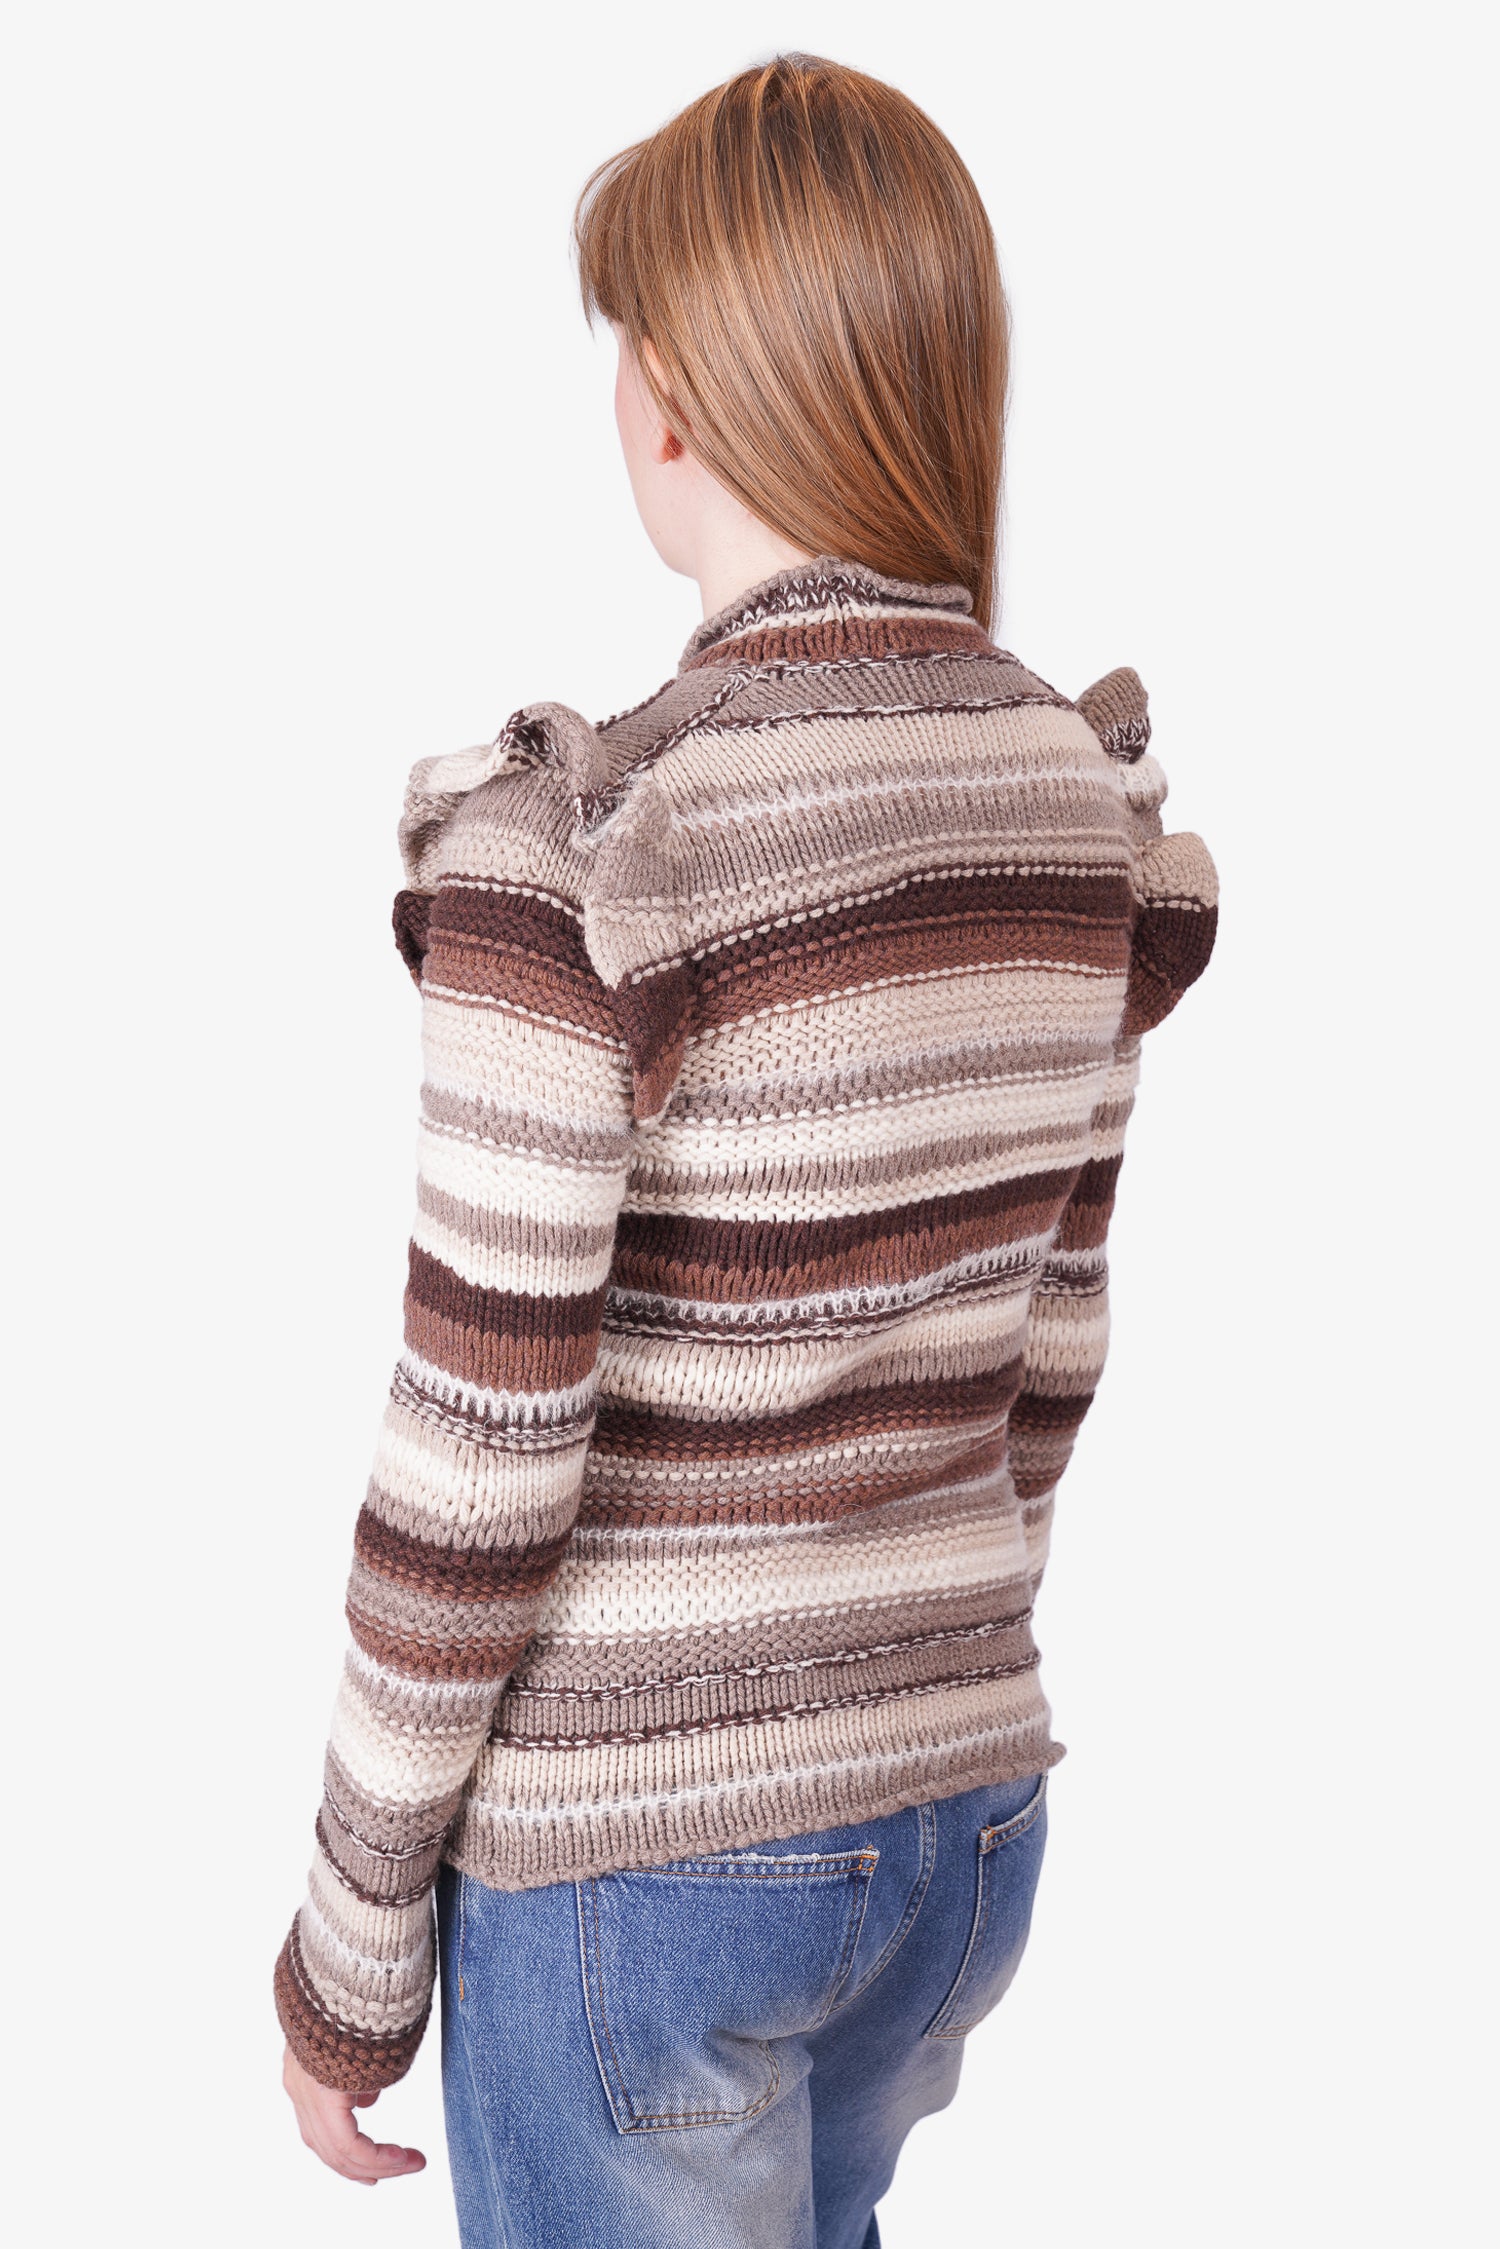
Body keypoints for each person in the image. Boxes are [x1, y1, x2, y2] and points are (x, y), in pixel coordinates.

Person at [276, 51, 1217, 2249]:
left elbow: (478, 1459)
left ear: (678, 400)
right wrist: (907, 1671)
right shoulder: (1078, 819)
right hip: (961, 1827)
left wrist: (346, 1953)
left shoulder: (592, 849)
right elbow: (1049, 1356)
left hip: (654, 1851)